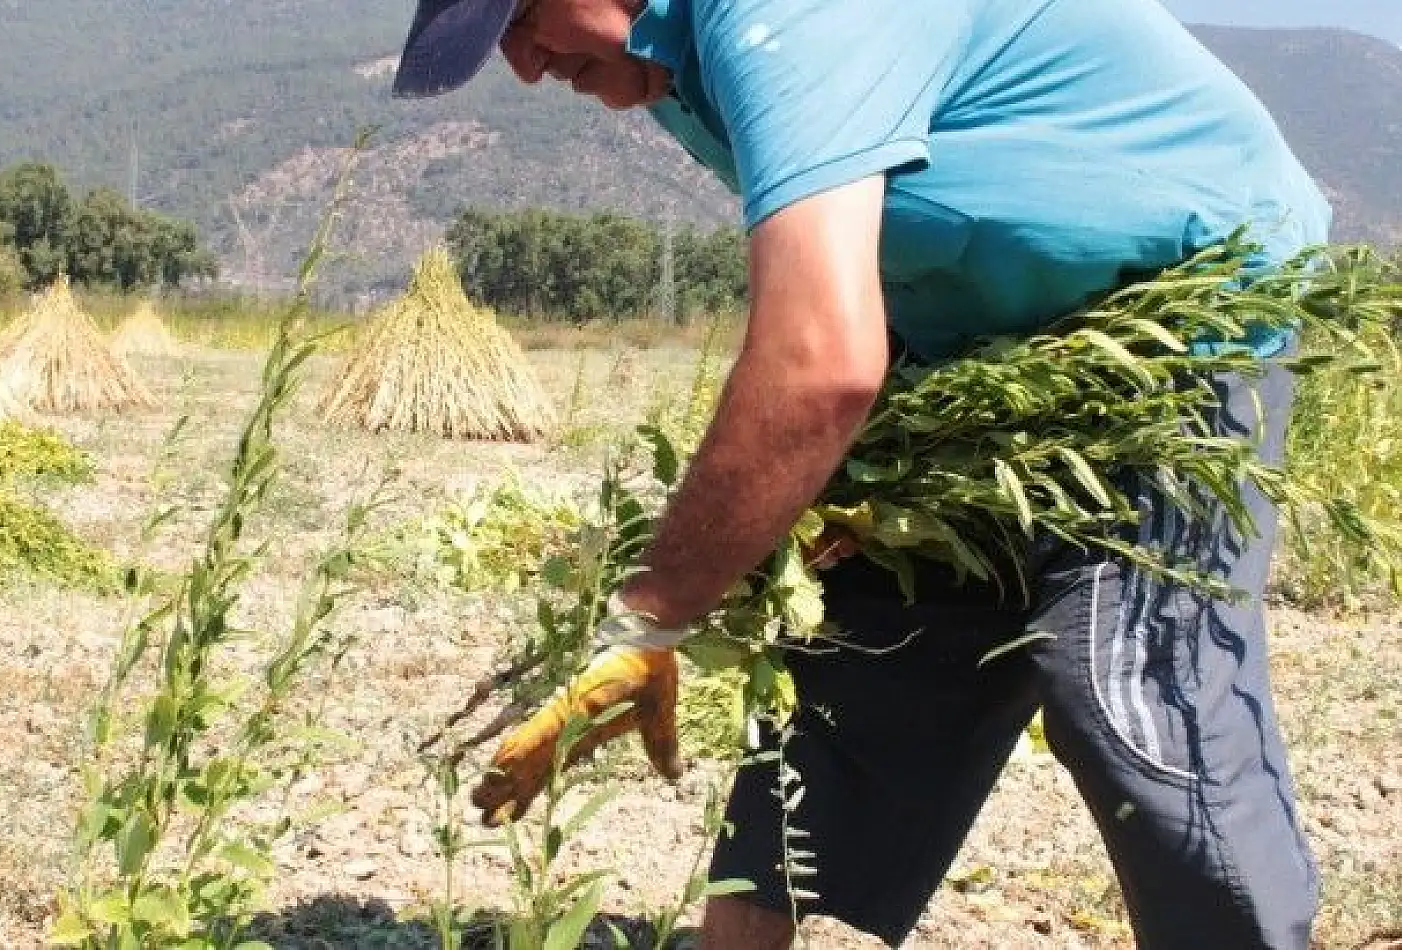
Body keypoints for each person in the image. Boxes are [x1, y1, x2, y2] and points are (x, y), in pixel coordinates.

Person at [391, 1, 1328, 947]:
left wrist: (651, 613)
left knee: (1124, 689)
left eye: (518, 17)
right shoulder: (667, 60)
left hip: (1176, 324)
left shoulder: (790, 13)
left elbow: (817, 363)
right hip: (972, 347)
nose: (523, 65)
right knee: (843, 666)